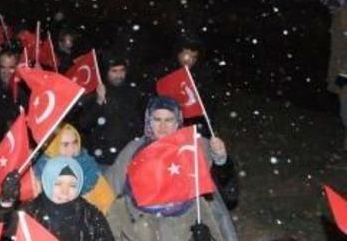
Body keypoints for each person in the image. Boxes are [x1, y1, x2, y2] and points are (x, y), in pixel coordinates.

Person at [105, 97, 238, 241]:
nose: (162, 126)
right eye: (157, 119)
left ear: (177, 122)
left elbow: (225, 186)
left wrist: (221, 158)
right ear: (149, 121)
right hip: (144, 226)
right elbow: (109, 187)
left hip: (185, 225)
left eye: (168, 120)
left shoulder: (193, 146)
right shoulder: (134, 150)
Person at [3, 156, 114, 240]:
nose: (65, 191)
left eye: (72, 185)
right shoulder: (30, 210)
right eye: (58, 183)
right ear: (47, 182)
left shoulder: (89, 214)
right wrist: (5, 202)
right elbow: (3, 230)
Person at [78, 53, 146, 165]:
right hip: (101, 158)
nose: (119, 75)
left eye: (122, 70)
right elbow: (85, 124)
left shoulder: (133, 92)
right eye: (114, 71)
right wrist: (99, 101)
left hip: (127, 156)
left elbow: (139, 122)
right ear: (106, 72)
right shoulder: (95, 92)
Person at [37, 123, 115, 214]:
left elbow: (107, 198)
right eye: (65, 144)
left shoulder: (87, 164)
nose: (72, 148)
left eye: (75, 142)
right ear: (54, 145)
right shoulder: (44, 171)